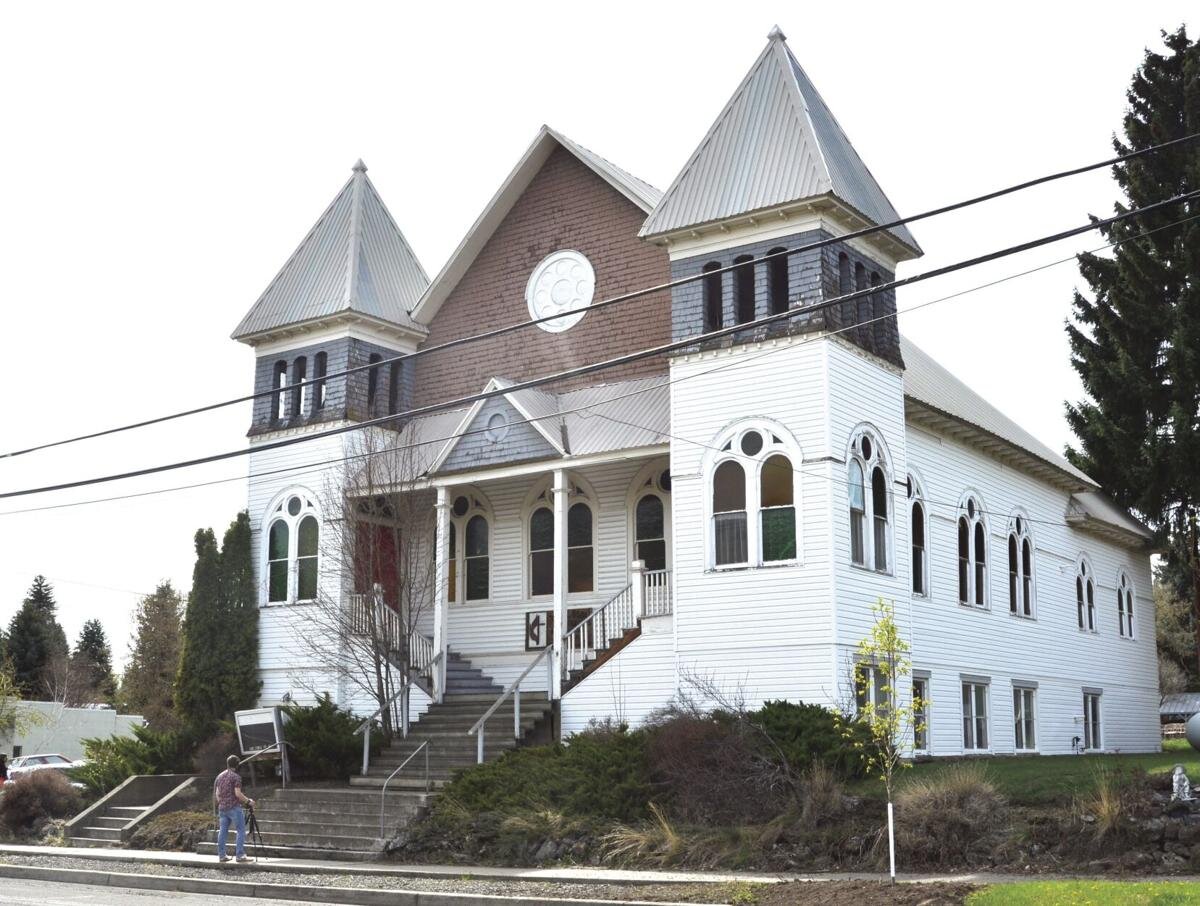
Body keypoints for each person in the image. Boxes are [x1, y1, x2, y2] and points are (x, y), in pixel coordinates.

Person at [213, 754, 255, 863]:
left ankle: (222, 856)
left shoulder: (220, 776)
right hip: (234, 808)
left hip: (222, 808)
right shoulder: (236, 777)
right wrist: (248, 801)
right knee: (240, 830)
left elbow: (217, 793)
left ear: (227, 764)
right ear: (237, 765)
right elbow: (238, 793)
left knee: (223, 831)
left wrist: (222, 802)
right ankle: (240, 855)